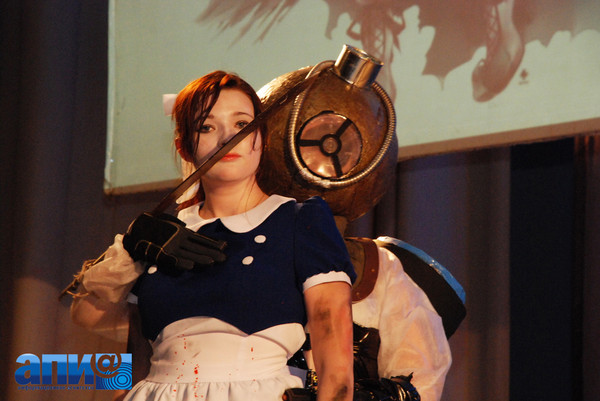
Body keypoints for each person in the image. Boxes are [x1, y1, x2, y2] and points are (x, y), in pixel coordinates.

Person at [70, 71, 356, 401]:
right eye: (206, 127)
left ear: (261, 137)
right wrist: (129, 250)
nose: (226, 138)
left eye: (241, 124)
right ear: (184, 147)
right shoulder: (162, 235)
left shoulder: (300, 220)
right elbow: (89, 316)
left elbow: (337, 370)